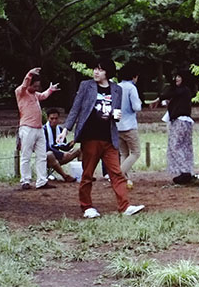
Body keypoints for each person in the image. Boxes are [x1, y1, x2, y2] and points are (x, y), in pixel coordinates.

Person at [57, 58, 145, 218]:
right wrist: (65, 129)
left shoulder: (117, 89)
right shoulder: (86, 86)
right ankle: (87, 207)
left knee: (116, 173)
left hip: (109, 137)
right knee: (88, 174)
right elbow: (76, 108)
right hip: (90, 136)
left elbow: (114, 112)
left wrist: (116, 116)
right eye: (95, 69)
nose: (96, 72)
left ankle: (125, 206)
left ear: (107, 72)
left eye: (100, 69)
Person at [15, 67, 59, 190]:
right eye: (34, 86)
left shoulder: (34, 95)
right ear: (29, 83)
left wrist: (50, 90)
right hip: (27, 128)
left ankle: (42, 181)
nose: (36, 88)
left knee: (42, 155)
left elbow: (43, 96)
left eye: (38, 86)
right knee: (26, 155)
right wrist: (29, 74)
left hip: (39, 128)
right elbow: (24, 85)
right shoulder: (21, 92)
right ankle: (25, 180)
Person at [149, 70, 195, 184]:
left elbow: (169, 94)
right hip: (186, 122)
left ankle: (185, 171)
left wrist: (158, 98)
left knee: (175, 146)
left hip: (180, 122)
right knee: (185, 147)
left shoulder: (182, 90)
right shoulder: (185, 92)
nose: (177, 79)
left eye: (179, 76)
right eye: (176, 76)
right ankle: (187, 171)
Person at [117, 64, 144, 187]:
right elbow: (136, 107)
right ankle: (118, 174)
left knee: (124, 153)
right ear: (134, 76)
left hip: (117, 125)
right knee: (136, 152)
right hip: (129, 126)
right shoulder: (131, 88)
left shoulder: (117, 87)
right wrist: (140, 102)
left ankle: (124, 179)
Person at [44, 108, 81, 182]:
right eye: (52, 118)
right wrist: (61, 155)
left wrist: (71, 144)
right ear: (48, 118)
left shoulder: (60, 130)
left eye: (56, 118)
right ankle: (65, 176)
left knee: (80, 150)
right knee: (49, 154)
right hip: (46, 159)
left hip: (58, 157)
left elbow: (63, 146)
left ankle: (83, 173)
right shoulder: (43, 130)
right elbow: (46, 148)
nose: (54, 121)